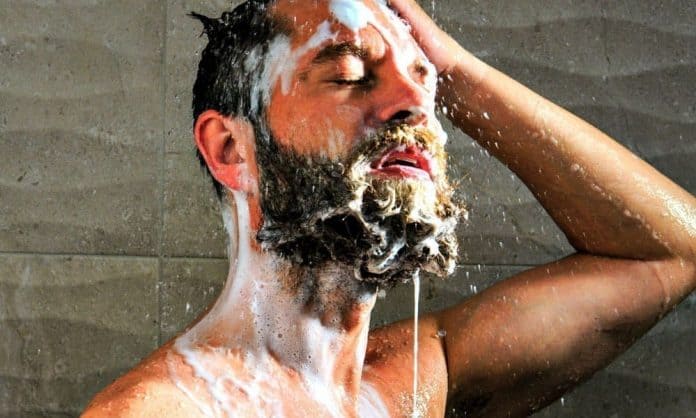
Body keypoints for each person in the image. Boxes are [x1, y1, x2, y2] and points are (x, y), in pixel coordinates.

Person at [82, 0, 696, 417]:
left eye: (424, 83)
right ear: (231, 149)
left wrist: (455, 72)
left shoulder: (407, 384)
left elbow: (670, 251)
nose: (417, 106)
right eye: (349, 73)